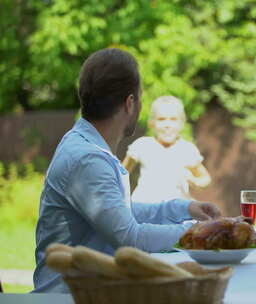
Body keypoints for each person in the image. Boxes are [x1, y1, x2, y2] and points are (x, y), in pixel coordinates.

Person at [33, 48, 221, 293]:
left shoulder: (86, 145)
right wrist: (201, 232)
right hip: (67, 298)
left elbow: (119, 213)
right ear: (130, 103)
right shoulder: (88, 159)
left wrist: (183, 208)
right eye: (140, 97)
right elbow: (131, 238)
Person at [122, 96, 211, 202]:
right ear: (152, 123)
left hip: (177, 211)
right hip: (145, 209)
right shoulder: (142, 145)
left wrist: (195, 182)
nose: (167, 125)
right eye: (161, 119)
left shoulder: (187, 149)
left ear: (181, 124)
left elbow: (205, 179)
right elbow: (121, 174)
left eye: (173, 119)